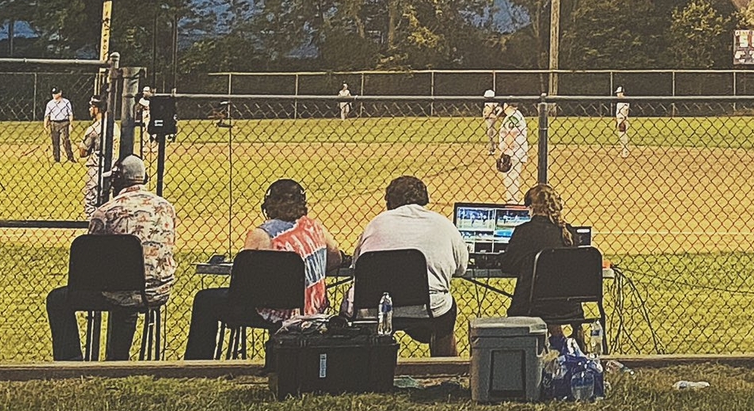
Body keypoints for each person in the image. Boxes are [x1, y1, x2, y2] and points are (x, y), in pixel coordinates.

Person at [184, 178, 344, 359]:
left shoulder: (261, 235)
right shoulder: (315, 227)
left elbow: (245, 280)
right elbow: (335, 259)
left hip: (271, 311)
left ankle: (197, 361)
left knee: (205, 299)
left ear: (268, 204)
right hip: (311, 309)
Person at [46, 155, 176, 360]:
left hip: (119, 291)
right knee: (126, 289)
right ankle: (117, 358)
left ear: (117, 180)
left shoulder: (105, 212)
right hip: (157, 290)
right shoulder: (166, 208)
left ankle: (70, 360)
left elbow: (90, 259)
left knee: (58, 299)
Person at [351, 175, 467, 356]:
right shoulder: (443, 224)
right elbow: (462, 267)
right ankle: (447, 373)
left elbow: (358, 265)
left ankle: (368, 374)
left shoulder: (376, 223)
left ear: (389, 201)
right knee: (445, 320)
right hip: (428, 307)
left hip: (373, 306)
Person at [499, 183, 581, 339]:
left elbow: (508, 265)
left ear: (531, 208)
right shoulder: (570, 232)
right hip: (568, 307)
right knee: (550, 304)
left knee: (542, 301)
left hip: (531, 305)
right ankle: (561, 343)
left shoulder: (525, 231)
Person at [495, 103, 529, 204]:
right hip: (516, 152)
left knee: (511, 177)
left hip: (512, 153)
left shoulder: (512, 117)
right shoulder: (516, 115)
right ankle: (513, 198)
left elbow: (510, 135)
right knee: (512, 176)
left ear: (506, 105)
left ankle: (512, 200)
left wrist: (505, 152)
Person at [78, 99, 105, 216]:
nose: (89, 109)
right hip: (113, 166)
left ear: (96, 109)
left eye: (91, 107)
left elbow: (82, 153)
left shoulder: (94, 129)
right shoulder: (115, 126)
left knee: (91, 202)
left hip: (96, 167)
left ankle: (91, 226)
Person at [44, 88, 74, 163]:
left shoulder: (66, 102)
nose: (54, 95)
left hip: (64, 122)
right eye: (53, 93)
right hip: (54, 123)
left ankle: (70, 157)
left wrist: (71, 124)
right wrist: (45, 126)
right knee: (55, 141)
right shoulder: (50, 103)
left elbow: (70, 114)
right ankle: (56, 158)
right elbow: (47, 115)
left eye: (56, 93)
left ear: (60, 93)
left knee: (65, 140)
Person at [482, 89, 500, 154]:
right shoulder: (487, 103)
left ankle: (492, 148)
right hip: (488, 118)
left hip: (491, 118)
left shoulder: (492, 102)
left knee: (491, 132)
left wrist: (495, 116)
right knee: (490, 132)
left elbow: (498, 109)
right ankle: (492, 147)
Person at [614, 87, 630, 156]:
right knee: (621, 136)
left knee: (623, 136)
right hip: (619, 119)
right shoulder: (619, 102)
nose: (617, 95)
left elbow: (625, 112)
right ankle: (624, 150)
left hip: (623, 119)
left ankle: (625, 151)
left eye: (618, 93)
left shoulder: (625, 102)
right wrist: (617, 121)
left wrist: (623, 121)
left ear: (622, 93)